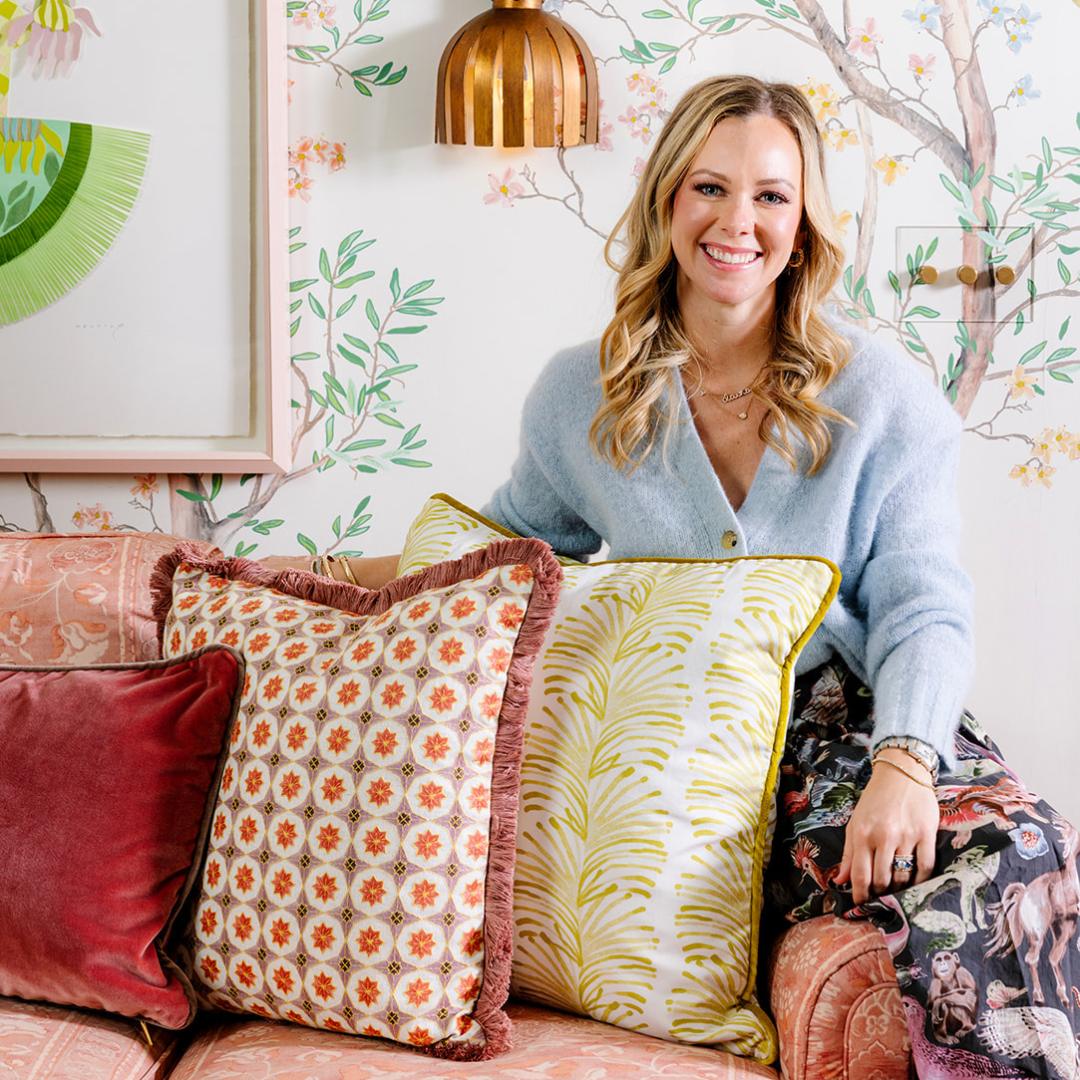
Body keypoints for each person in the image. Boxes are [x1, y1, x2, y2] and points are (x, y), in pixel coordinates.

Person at [325, 76, 1079, 1072]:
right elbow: (502, 564)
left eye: (772, 195)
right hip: (697, 754)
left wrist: (904, 762)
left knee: (1025, 855)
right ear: (668, 201)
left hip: (864, 728)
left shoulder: (881, 394)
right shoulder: (581, 397)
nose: (738, 221)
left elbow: (922, 604)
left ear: (804, 223)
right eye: (710, 188)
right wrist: (323, 584)